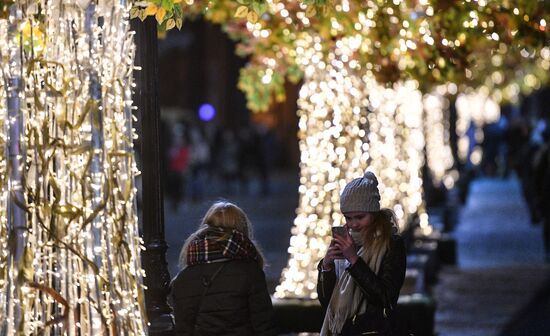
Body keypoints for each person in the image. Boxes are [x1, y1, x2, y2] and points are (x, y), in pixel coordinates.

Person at [317, 171, 407, 335]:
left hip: (374, 329)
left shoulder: (391, 244)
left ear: (373, 213)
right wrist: (326, 266)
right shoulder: (347, 242)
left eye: (359, 217)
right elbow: (327, 301)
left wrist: (354, 260)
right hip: (344, 330)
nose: (353, 224)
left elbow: (386, 297)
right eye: (348, 218)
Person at [171, 201, 276, 336]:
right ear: (242, 229)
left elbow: (182, 330)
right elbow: (264, 326)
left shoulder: (183, 279)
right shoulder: (249, 273)